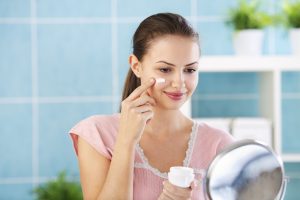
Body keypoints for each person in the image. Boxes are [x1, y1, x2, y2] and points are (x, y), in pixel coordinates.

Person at [69, 12, 234, 200]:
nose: (179, 82)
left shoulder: (218, 145)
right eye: (165, 69)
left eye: (189, 70)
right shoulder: (97, 135)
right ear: (136, 66)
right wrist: (126, 140)